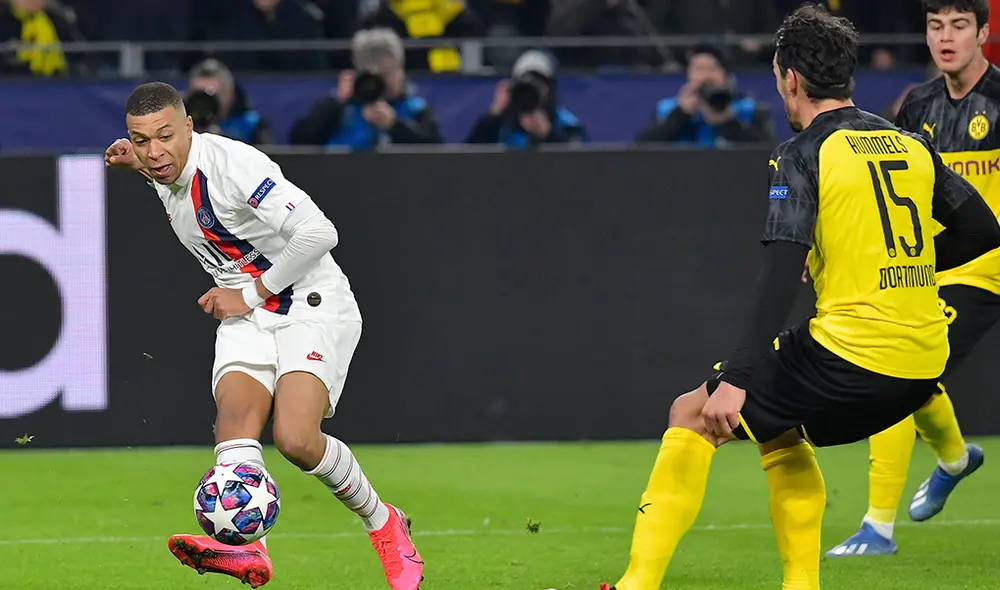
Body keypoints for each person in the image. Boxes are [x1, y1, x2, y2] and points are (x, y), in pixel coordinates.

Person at [598, 5, 1000, 590]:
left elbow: (781, 271)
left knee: (692, 411)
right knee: (779, 428)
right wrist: (902, 266)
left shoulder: (801, 154)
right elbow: (985, 230)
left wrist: (736, 375)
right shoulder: (909, 142)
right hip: (922, 370)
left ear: (790, 79)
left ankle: (636, 584)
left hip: (852, 359)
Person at [103, 82, 423, 590]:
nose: (154, 151)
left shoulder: (235, 167)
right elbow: (173, 180)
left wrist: (249, 295)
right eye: (141, 141)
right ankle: (247, 544)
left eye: (164, 136)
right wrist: (138, 168)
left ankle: (384, 522)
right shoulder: (163, 169)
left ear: (190, 127)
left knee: (295, 440)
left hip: (308, 304)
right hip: (247, 309)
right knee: (235, 420)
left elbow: (320, 233)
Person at [826, 0, 995, 558]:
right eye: (935, 26)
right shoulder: (915, 107)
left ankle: (938, 470)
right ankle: (937, 473)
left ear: (983, 32)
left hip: (989, 261)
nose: (946, 37)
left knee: (901, 372)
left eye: (959, 25)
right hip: (948, 268)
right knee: (904, 373)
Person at [289, 28, 442, 150]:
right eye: (374, 75)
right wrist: (334, 104)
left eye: (386, 74)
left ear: (400, 70)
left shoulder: (415, 108)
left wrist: (394, 125)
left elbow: (437, 150)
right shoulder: (339, 105)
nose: (380, 82)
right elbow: (299, 141)